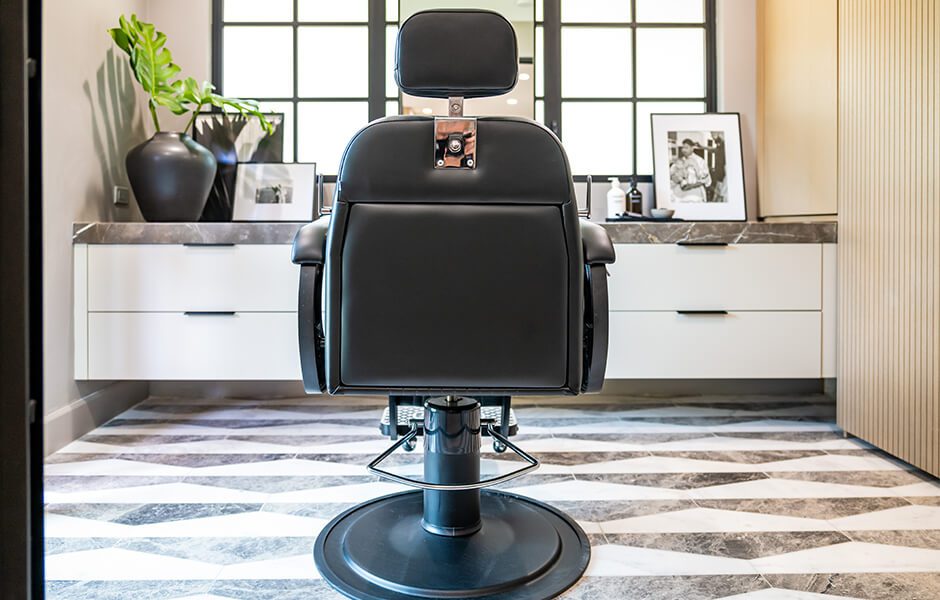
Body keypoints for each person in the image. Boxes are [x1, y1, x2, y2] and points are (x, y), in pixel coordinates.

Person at [669, 138, 711, 202]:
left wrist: (691, 186)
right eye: (683, 148)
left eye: (686, 148)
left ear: (692, 148)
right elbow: (672, 174)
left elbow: (705, 179)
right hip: (681, 188)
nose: (683, 150)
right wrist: (676, 178)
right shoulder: (680, 160)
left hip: (695, 188)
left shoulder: (700, 161)